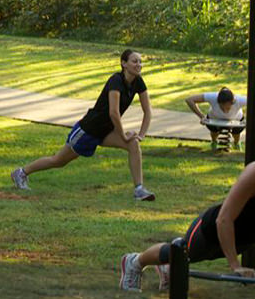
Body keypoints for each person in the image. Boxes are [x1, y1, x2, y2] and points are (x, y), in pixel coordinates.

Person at [118, 134, 255, 291]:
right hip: (212, 230)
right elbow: (225, 218)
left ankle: (169, 270)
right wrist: (235, 266)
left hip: (242, 241)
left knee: (186, 260)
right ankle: (134, 262)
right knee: (182, 253)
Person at [11, 49, 156, 201]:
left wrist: (141, 135)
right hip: (88, 130)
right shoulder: (116, 80)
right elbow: (114, 112)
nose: (138, 64)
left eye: (140, 61)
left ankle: (139, 190)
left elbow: (147, 111)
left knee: (133, 144)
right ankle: (21, 172)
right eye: (134, 61)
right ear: (123, 63)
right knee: (58, 161)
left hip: (106, 131)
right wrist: (122, 136)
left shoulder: (138, 81)